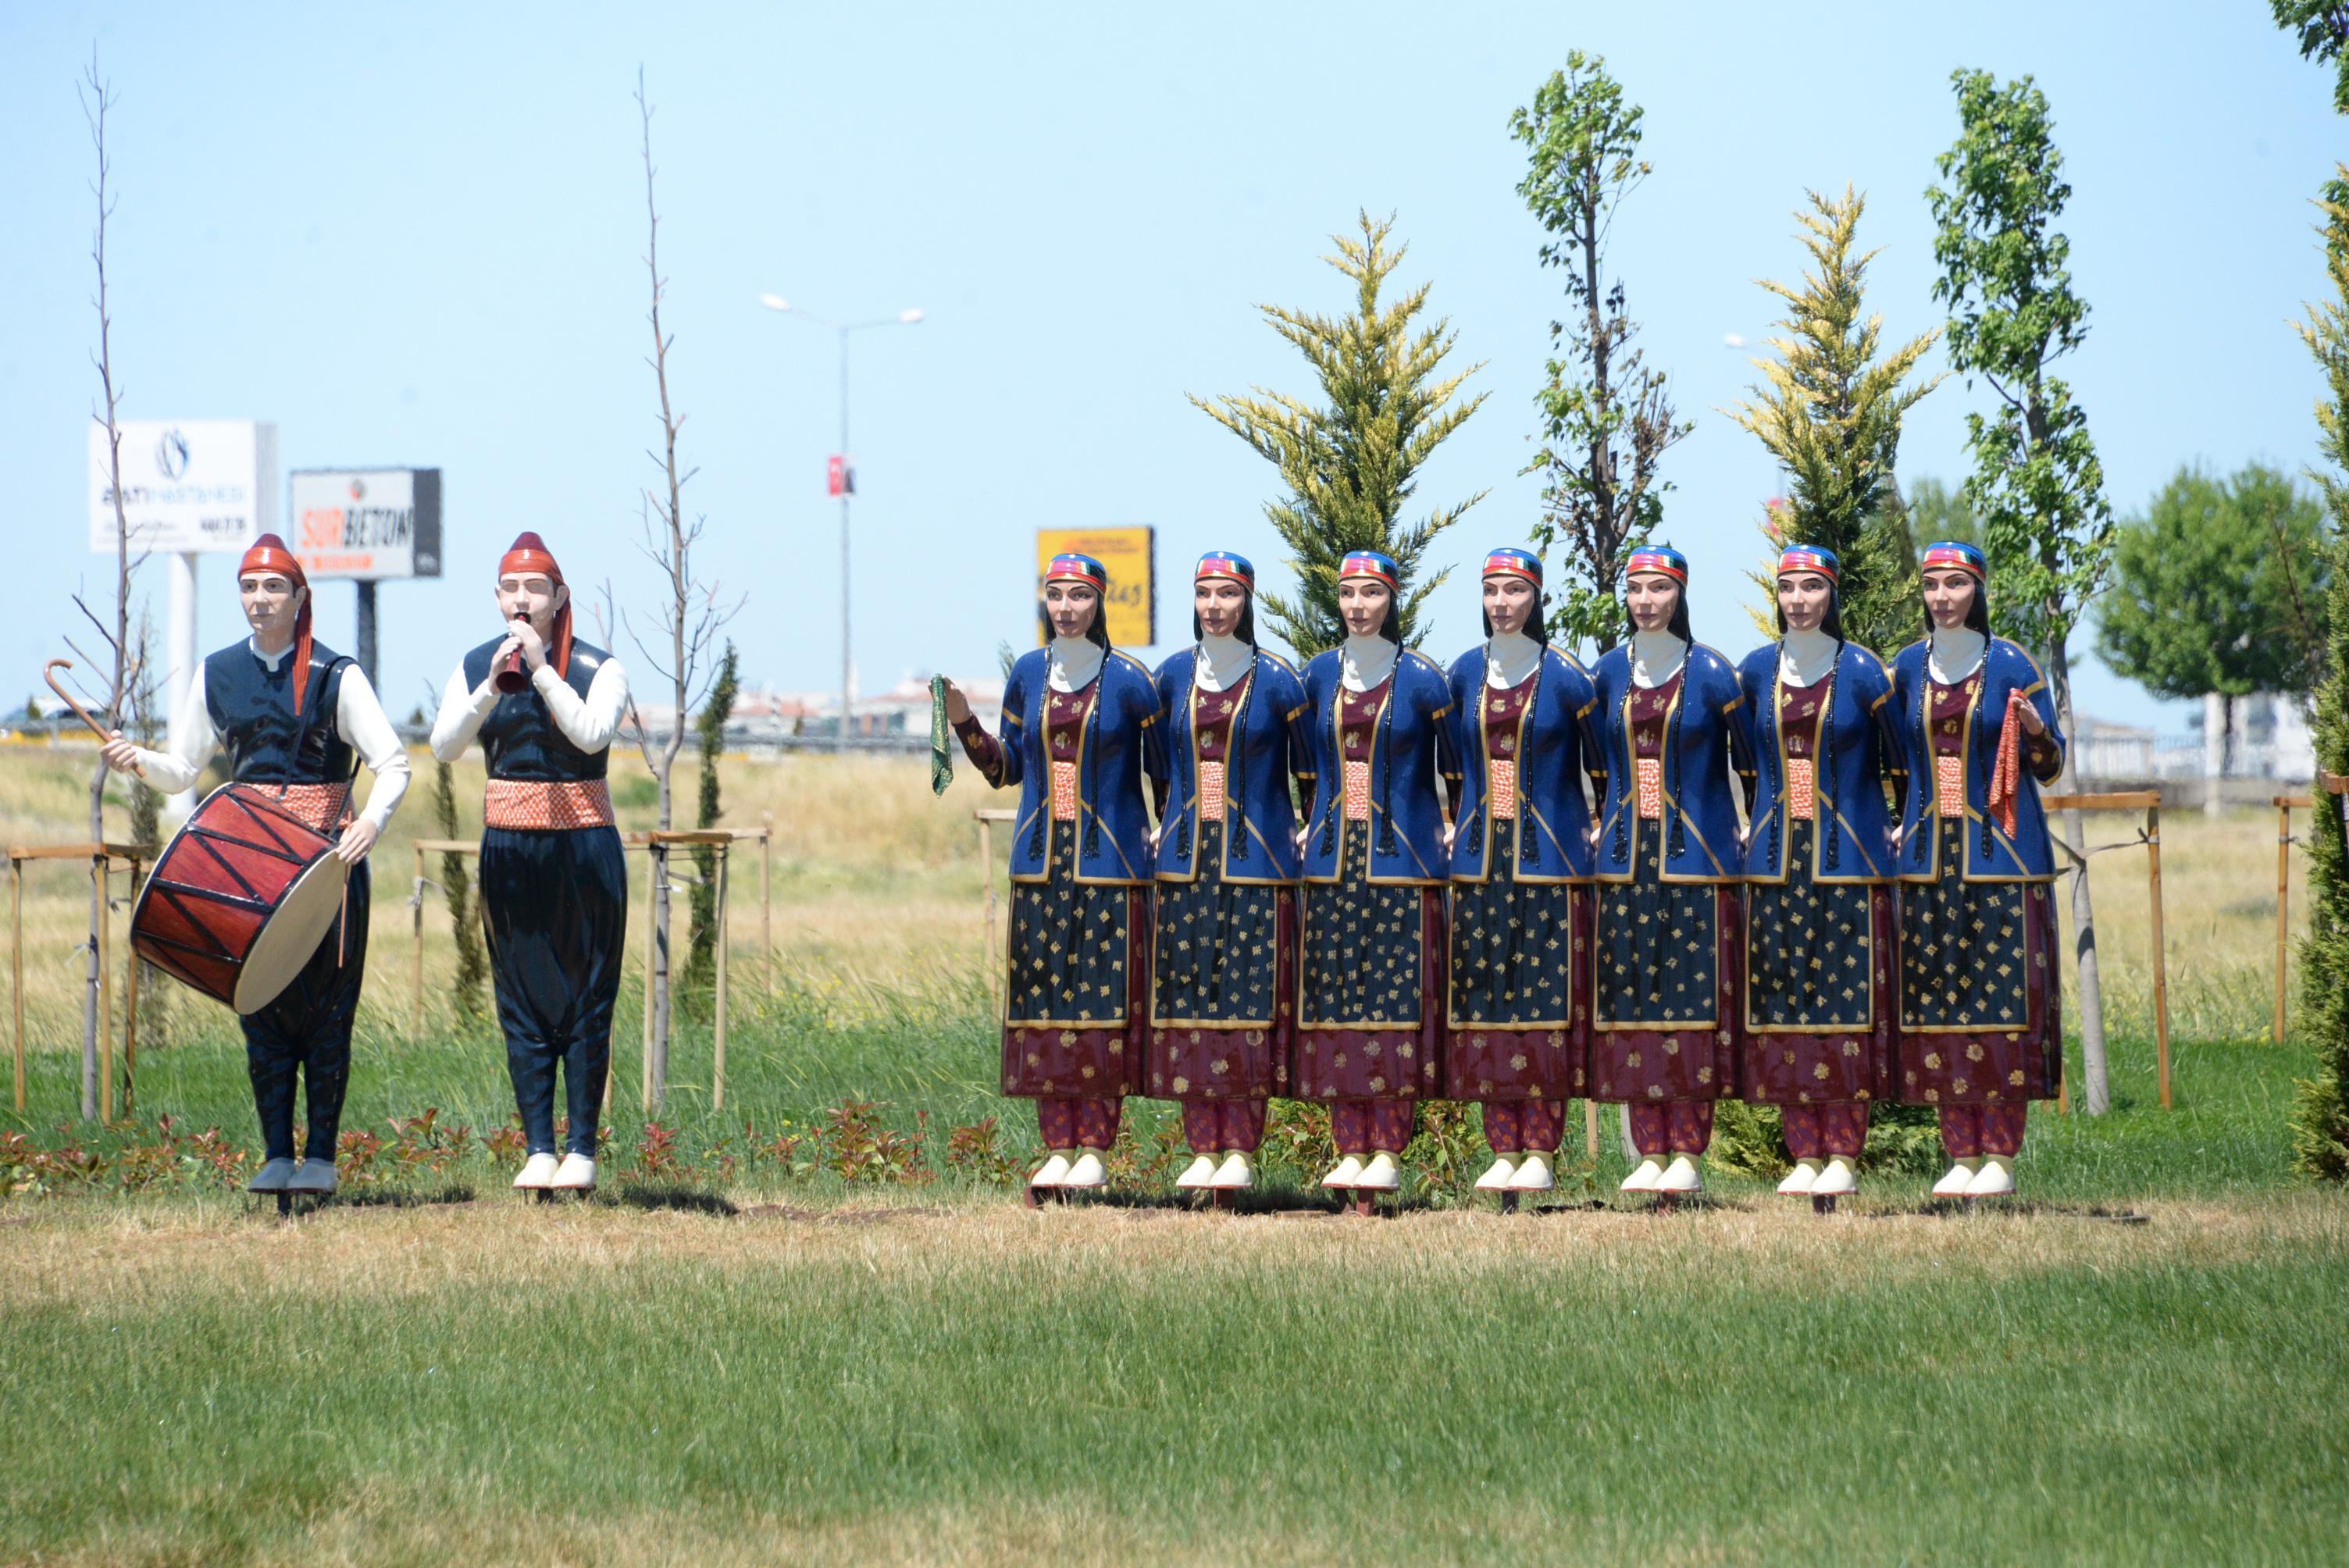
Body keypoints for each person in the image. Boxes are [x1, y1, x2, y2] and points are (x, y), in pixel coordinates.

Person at [102, 534, 410, 1196]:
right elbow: (184, 768)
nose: (259, 599)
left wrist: (374, 825)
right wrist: (139, 760)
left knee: (328, 1011)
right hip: (248, 870)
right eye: (248, 587)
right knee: (259, 1004)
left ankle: (321, 1158)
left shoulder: (337, 675)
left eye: (273, 587)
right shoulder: (217, 672)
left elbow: (394, 763)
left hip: (329, 863)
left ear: (301, 598)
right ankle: (276, 1153)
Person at [943, 554, 1164, 1192]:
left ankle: (1095, 1142)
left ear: (1099, 602)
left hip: (1110, 867)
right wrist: (963, 721)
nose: (1066, 607)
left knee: (1101, 1004)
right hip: (1040, 865)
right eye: (1055, 595)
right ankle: (1057, 1144)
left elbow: (1164, 776)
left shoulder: (1129, 682)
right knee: (1047, 1002)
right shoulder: (1028, 675)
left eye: (1078, 596)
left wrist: (1161, 840)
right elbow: (1006, 768)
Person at [429, 533, 630, 1195]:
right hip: (510, 850)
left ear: (559, 597)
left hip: (583, 849)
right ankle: (538, 1146)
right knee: (520, 997)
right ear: (496, 598)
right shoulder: (474, 666)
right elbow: (444, 746)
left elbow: (592, 734)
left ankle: (582, 1147)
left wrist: (542, 670)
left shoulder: (600, 667)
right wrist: (492, 685)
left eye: (536, 588)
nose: (523, 599)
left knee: (585, 995)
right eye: (511, 588)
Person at [1890, 540, 2067, 1198]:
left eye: (1956, 584)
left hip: (2002, 859)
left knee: (2000, 1004)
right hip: (1929, 862)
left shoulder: (2014, 664)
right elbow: (1891, 761)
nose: (1943, 597)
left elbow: (2051, 766)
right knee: (1941, 1002)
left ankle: (2000, 1154)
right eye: (1933, 585)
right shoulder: (1906, 668)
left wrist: (2034, 732)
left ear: (1979, 590)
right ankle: (1959, 1152)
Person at [1733, 545, 1902, 1200]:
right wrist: (1754, 821)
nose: (1799, 600)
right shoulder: (1753, 673)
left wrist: (1893, 826)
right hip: (1777, 866)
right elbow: (1746, 760)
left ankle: (1844, 1151)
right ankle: (1803, 1151)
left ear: (1831, 594)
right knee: (1787, 1008)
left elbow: (1901, 762)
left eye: (1811, 587)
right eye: (1788, 588)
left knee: (1843, 1008)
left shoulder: (1864, 674)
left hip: (1850, 866)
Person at [1292, 551, 1460, 1196]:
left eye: (1371, 594)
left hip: (1402, 864)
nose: (1359, 605)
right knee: (1338, 1003)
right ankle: (1348, 1144)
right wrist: (1309, 823)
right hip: (1335, 866)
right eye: (1349, 594)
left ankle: (1388, 1146)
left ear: (1393, 600)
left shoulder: (1424, 681)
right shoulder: (1314, 678)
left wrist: (1448, 827)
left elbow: (1457, 768)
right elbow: (1303, 766)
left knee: (1394, 1005)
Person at [1587, 546, 1752, 1196]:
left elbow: (1751, 762)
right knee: (1633, 1005)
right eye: (1636, 589)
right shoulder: (1604, 675)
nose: (1646, 601)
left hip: (1696, 863)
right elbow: (1597, 761)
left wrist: (1744, 830)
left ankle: (1688, 1148)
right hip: (1626, 865)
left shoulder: (1713, 675)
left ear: (1680, 594)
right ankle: (1647, 1150)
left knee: (1689, 1004)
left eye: (1659, 588)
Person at [1147, 553, 1308, 1193]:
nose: (1215, 605)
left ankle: (1241, 1145)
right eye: (1205, 594)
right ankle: (1201, 1145)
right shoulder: (1169, 679)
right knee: (1192, 1003)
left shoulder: (1278, 683)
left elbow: (1310, 774)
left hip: (1257, 867)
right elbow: (1158, 767)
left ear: (1247, 602)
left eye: (1228, 594)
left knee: (1248, 1005)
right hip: (1187, 868)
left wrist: (1296, 833)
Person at [1444, 547, 1601, 1196]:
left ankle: (1541, 1144)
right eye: (1492, 592)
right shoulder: (1461, 675)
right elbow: (1454, 765)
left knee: (1543, 1003)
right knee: (1487, 1002)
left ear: (1536, 598)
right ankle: (1501, 1145)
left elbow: (1602, 766)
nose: (1502, 603)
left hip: (1550, 863)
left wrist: (1594, 830)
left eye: (1514, 591)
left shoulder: (1568, 678)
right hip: (1482, 863)